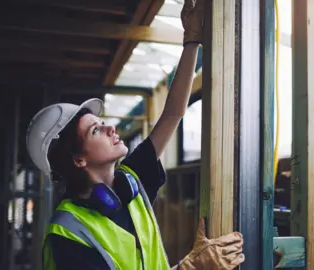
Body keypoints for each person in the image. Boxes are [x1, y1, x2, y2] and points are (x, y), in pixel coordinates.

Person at [25, 0, 245, 269]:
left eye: (103, 122)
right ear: (79, 159)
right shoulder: (67, 234)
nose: (110, 128)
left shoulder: (131, 183)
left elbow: (173, 114)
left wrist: (191, 40)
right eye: (96, 130)